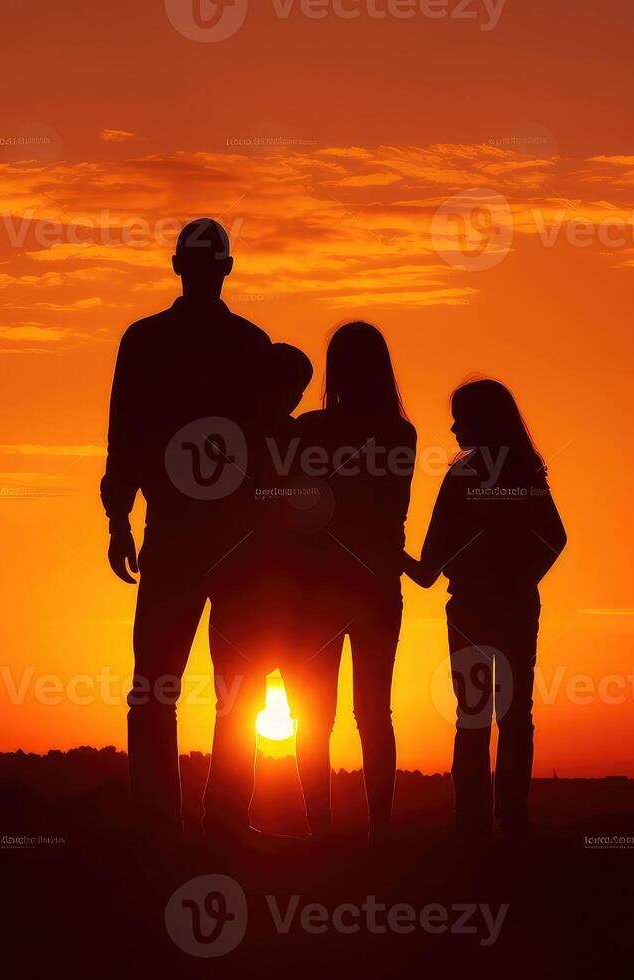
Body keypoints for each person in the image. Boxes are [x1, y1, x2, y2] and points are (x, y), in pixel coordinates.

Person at [100, 218, 270, 841]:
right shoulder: (237, 344)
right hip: (199, 536)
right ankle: (181, 821)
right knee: (171, 686)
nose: (201, 273)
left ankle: (200, 820)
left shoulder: (166, 341)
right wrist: (119, 519)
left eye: (205, 263)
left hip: (216, 537)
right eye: (199, 264)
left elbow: (127, 436)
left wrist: (120, 518)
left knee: (215, 685)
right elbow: (126, 435)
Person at [402, 378, 567, 843]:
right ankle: (511, 822)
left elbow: (428, 569)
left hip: (471, 609)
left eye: (461, 417)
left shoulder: (460, 479)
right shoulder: (527, 476)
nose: (453, 426)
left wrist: (386, 552)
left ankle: (470, 825)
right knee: (516, 716)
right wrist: (520, 578)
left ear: (483, 421)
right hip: (514, 608)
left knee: (472, 717)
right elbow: (555, 539)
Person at [287, 322, 416, 843]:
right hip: (378, 584)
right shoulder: (400, 434)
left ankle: (320, 831)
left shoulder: (308, 430)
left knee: (315, 716)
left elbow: (297, 506)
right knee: (374, 713)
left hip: (316, 588)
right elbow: (395, 510)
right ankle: (379, 831)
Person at [203, 342, 314, 842]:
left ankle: (235, 818)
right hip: (254, 590)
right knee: (240, 709)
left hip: (270, 591)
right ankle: (228, 817)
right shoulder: (240, 437)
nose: (290, 400)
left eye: (296, 393)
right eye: (287, 390)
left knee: (250, 709)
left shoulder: (248, 435)